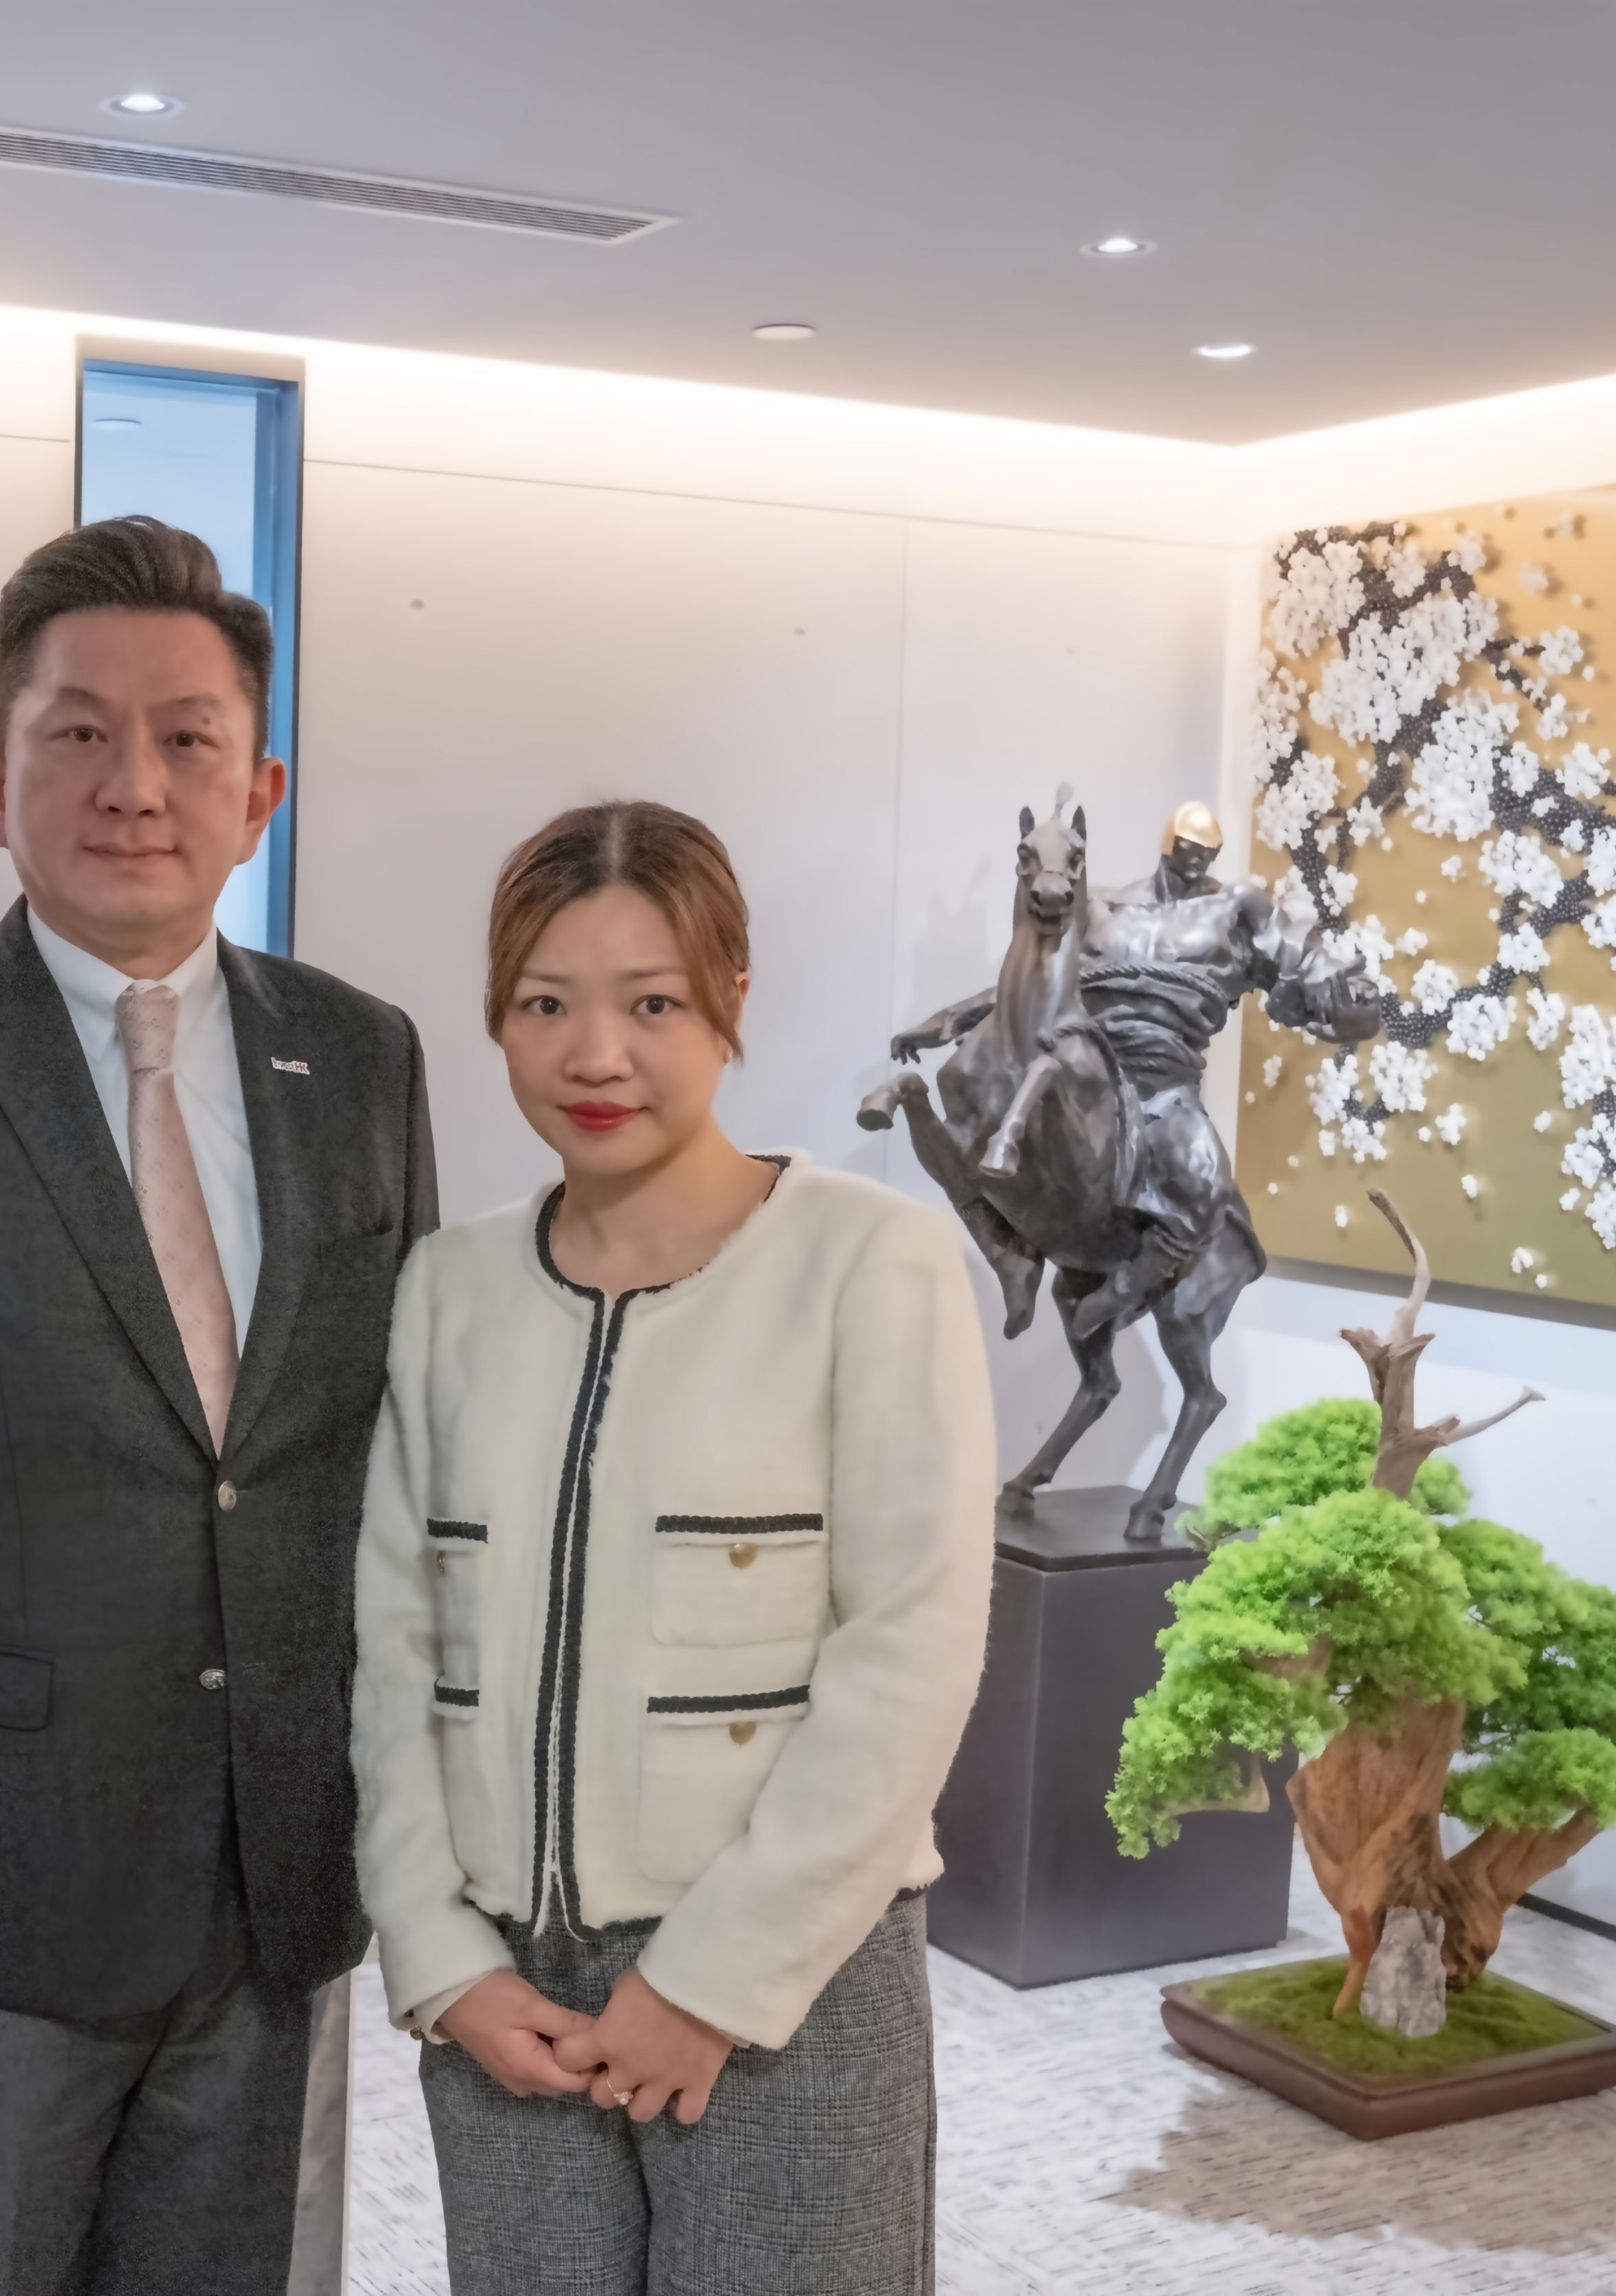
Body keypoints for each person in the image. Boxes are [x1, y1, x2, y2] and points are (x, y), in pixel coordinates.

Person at [0, 514, 437, 2295]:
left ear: (259, 791)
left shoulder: (359, 1058)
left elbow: (392, 1460)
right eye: (79, 732)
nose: (136, 783)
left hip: (271, 1871)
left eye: (189, 737)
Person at [350, 800, 995, 2296]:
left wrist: (709, 1984)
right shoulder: (447, 1288)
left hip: (788, 1982)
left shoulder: (868, 1261)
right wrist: (440, 1957)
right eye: (545, 1005)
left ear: (731, 1000)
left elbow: (911, 1653)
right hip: (507, 2000)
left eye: (651, 1003)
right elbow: (390, 1650)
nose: (596, 1056)